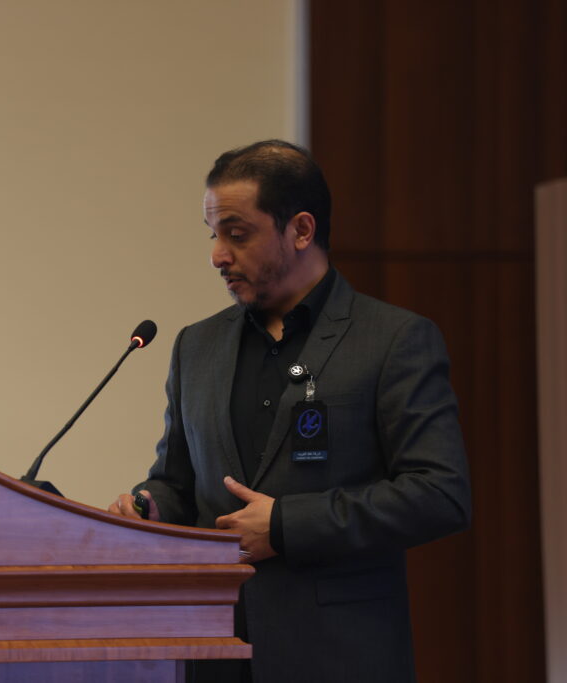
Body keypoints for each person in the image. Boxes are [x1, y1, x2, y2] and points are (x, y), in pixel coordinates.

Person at [107, 140, 471, 683]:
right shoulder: (195, 347)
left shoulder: (393, 340)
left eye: (237, 234)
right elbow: (178, 484)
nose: (218, 256)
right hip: (216, 651)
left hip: (340, 656)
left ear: (301, 230)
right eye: (213, 235)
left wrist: (286, 525)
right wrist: (150, 505)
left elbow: (440, 495)